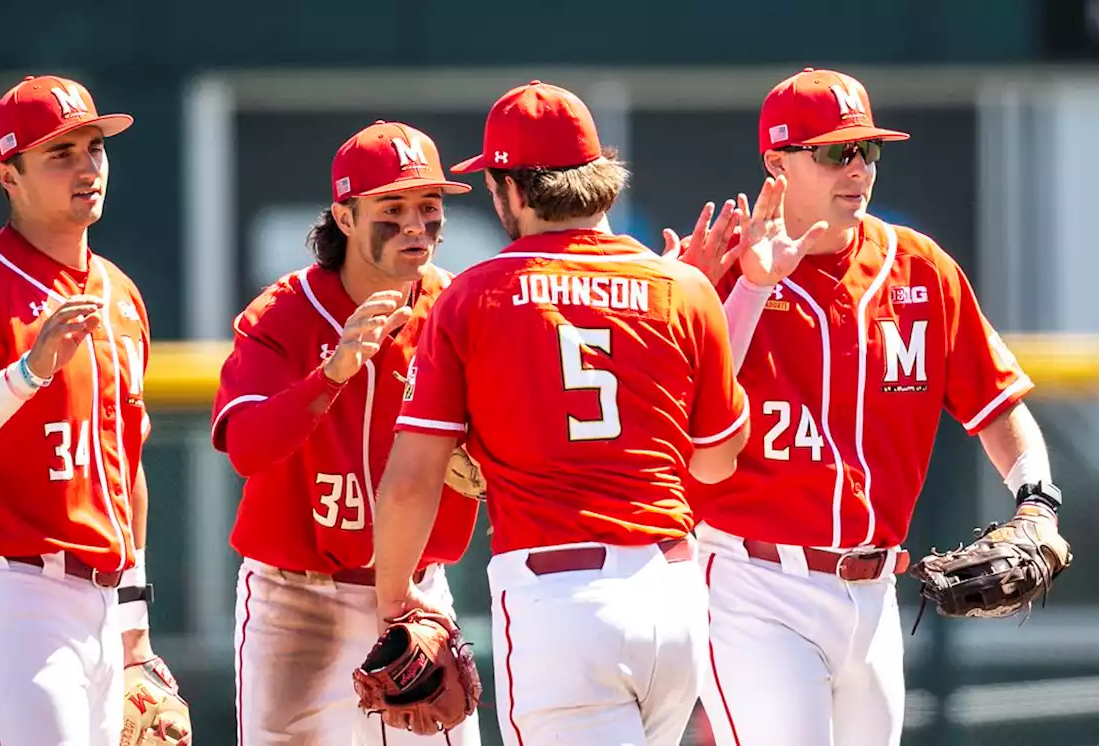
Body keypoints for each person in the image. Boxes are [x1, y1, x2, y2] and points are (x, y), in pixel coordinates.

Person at [679, 68, 1063, 746]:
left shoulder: (920, 268)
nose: (857, 167)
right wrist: (745, 290)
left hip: (875, 589)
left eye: (868, 150)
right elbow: (694, 413)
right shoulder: (719, 271)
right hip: (753, 582)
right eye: (834, 151)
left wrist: (1037, 500)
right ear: (777, 162)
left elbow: (997, 404)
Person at [367, 80, 754, 746]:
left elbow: (410, 482)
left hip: (560, 600)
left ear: (515, 189)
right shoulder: (684, 287)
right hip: (675, 594)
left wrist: (395, 598)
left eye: (494, 185)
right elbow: (717, 460)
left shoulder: (472, 297)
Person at [0, 76, 186, 745]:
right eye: (60, 154)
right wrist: (26, 375)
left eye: (93, 148)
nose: (87, 168)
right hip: (7, 596)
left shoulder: (120, 295)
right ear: (9, 175)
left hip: (102, 606)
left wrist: (133, 630)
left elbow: (123, 469)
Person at [210, 120, 483, 745]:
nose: (416, 225)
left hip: (414, 594)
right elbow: (248, 448)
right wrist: (329, 374)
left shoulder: (456, 310)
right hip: (296, 601)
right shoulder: (282, 313)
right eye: (393, 208)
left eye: (429, 206)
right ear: (345, 215)